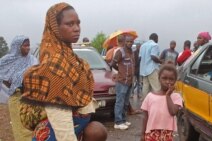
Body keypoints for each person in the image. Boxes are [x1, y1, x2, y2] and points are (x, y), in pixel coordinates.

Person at [21, 3, 95, 141]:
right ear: (55, 28)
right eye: (69, 24)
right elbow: (60, 117)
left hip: (73, 126)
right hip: (58, 133)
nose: (76, 29)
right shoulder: (55, 64)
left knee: (96, 130)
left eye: (78, 23)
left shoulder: (73, 59)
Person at [0, 35, 38, 141]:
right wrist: (11, 84)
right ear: (17, 46)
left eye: (29, 45)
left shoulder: (32, 60)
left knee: (31, 126)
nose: (28, 48)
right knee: (20, 127)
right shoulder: (6, 60)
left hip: (31, 98)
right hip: (16, 98)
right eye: (25, 45)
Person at [140, 64, 183, 141]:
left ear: (175, 81)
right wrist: (142, 134)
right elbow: (145, 117)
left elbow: (173, 112)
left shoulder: (176, 97)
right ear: (159, 79)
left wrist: (168, 96)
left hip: (166, 134)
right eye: (164, 78)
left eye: (171, 79)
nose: (167, 81)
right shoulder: (150, 96)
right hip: (151, 133)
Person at [111, 35, 135, 130]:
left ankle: (124, 120)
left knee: (125, 102)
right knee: (119, 102)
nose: (129, 43)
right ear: (125, 42)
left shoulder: (131, 52)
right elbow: (112, 64)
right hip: (122, 81)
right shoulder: (120, 52)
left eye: (131, 42)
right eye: (128, 41)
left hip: (129, 81)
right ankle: (118, 122)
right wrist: (121, 71)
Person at [139, 33, 162, 100]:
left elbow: (140, 58)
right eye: (157, 39)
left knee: (145, 87)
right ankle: (157, 102)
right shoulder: (155, 45)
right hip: (152, 69)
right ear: (156, 38)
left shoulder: (143, 46)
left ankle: (145, 103)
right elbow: (153, 57)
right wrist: (161, 62)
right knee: (156, 87)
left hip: (144, 70)